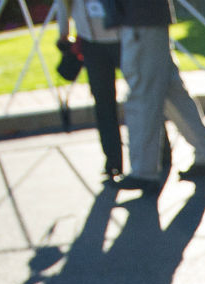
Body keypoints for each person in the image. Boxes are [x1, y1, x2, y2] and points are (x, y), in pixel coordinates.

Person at [114, 0, 205, 196]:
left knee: (143, 93)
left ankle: (144, 171)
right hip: (145, 19)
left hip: (141, 20)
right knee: (172, 92)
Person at [56, 0, 123, 184]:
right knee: (103, 103)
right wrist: (63, 34)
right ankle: (113, 161)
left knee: (144, 95)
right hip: (91, 42)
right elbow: (63, 4)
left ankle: (159, 155)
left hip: (123, 36)